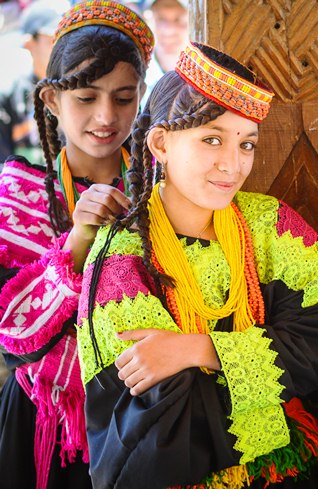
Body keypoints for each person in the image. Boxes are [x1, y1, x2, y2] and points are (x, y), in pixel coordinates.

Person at [75, 42, 318, 488]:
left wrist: (199, 350)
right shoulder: (122, 256)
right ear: (160, 142)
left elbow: (316, 343)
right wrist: (265, 381)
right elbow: (159, 414)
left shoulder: (272, 226)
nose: (232, 165)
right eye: (212, 139)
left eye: (247, 144)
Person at [0, 2, 153, 488]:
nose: (106, 116)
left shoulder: (163, 190)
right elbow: (12, 338)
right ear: (50, 101)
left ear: (142, 96)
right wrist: (76, 243)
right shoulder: (15, 197)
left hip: (147, 414)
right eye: (86, 97)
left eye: (124, 97)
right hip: (46, 421)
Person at [0, 0, 69, 165]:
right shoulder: (8, 95)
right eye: (53, 39)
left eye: (67, 38)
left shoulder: (81, 91)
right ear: (29, 43)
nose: (63, 47)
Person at [140, 0, 189, 108]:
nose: (168, 30)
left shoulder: (206, 76)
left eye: (178, 19)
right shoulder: (136, 73)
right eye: (160, 18)